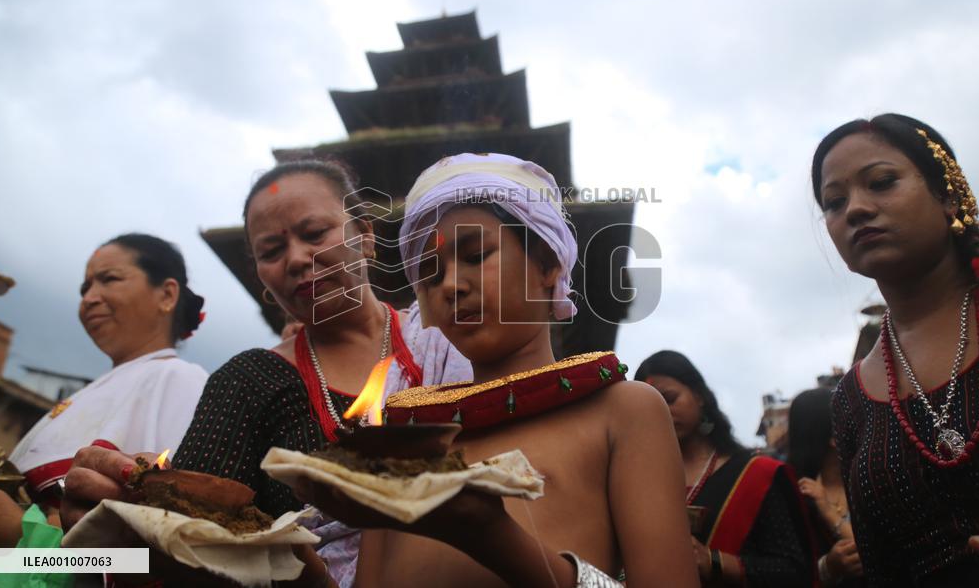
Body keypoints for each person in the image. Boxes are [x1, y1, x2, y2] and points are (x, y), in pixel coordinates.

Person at [62, 160, 471, 587]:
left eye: (314, 233)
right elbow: (192, 550)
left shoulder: (453, 339)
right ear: (261, 277)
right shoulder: (248, 382)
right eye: (271, 252)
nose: (296, 258)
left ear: (365, 236)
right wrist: (125, 530)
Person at [297, 153, 699, 587]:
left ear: (547, 264)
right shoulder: (404, 441)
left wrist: (492, 536)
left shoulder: (623, 410)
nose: (450, 284)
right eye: (430, 276)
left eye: (476, 255)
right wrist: (297, 569)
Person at [813, 113, 979, 585]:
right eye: (834, 201)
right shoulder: (851, 398)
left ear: (947, 196)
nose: (855, 209)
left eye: (882, 182)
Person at [12, 233, 208, 506]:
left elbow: (170, 530)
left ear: (166, 294)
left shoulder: (179, 379)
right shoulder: (97, 389)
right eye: (84, 288)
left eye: (109, 279)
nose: (89, 298)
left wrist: (19, 532)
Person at [636, 350, 815, 586]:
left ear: (699, 396)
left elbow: (794, 572)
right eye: (649, 406)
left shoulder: (757, 474)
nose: (662, 412)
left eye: (669, 399)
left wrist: (713, 561)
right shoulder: (637, 483)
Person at [788, 387, 864, 586]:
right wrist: (828, 567)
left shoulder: (866, 476)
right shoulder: (794, 495)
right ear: (831, 436)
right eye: (849, 416)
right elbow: (786, 572)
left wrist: (830, 514)